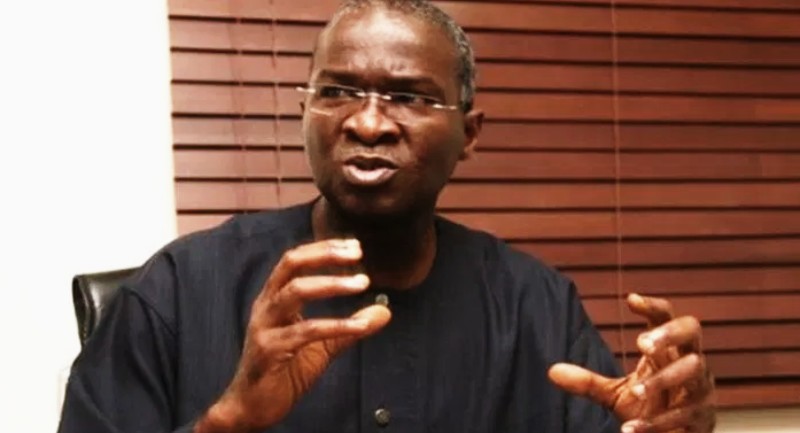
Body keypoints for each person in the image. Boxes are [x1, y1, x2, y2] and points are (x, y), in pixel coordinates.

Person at [58, 1, 716, 432]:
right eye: (338, 91)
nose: (368, 123)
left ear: (470, 134)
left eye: (408, 97)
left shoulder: (535, 305)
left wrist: (670, 423)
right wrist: (229, 419)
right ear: (304, 111)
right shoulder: (178, 291)